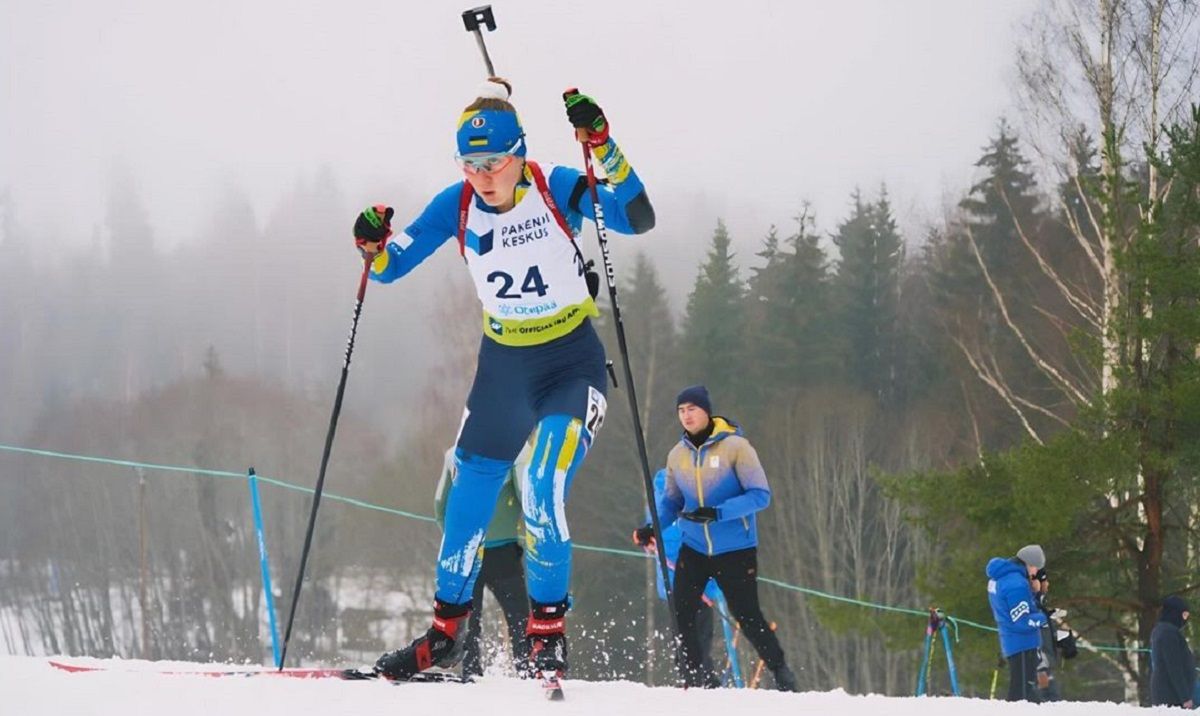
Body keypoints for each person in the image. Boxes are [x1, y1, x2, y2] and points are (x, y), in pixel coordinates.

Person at [355, 78, 655, 682]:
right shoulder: (456, 204)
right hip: (504, 368)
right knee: (468, 496)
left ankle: (546, 634)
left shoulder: (556, 186)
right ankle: (444, 633)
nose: (482, 176)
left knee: (541, 483)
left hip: (570, 364)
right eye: (469, 163)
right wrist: (370, 243)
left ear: (519, 153)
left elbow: (637, 216)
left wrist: (603, 144)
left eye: (493, 161)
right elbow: (389, 267)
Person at [637, 385, 797, 691]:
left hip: (735, 549)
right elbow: (671, 503)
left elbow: (760, 496)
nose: (686, 416)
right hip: (694, 547)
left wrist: (718, 512)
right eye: (681, 411)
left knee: (747, 616)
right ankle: (692, 677)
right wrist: (650, 527)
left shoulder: (736, 448)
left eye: (692, 409)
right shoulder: (677, 455)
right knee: (682, 611)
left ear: (706, 411)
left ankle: (781, 670)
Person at [433, 445, 528, 677]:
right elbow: (525, 498)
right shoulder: (516, 452)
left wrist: (454, 538)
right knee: (518, 616)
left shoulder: (454, 455)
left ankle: (471, 671)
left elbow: (440, 504)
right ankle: (526, 667)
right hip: (503, 553)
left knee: (469, 618)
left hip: (468, 550)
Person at [633, 469, 724, 682]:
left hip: (687, 586)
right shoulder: (681, 501)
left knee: (693, 643)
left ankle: (700, 684)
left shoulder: (664, 498)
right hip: (690, 586)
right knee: (694, 645)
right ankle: (697, 686)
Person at [985, 544, 1051, 702]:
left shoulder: (1002, 578)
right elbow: (1022, 621)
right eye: (1036, 568)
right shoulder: (1017, 584)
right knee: (1021, 695)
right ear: (1029, 564)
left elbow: (1016, 609)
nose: (1036, 573)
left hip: (1011, 640)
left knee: (1024, 692)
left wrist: (1036, 594)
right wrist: (1046, 617)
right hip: (1022, 644)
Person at [1150, 595, 1195, 708]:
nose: (1185, 620)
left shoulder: (1163, 630)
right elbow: (1174, 666)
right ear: (1175, 613)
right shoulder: (1168, 633)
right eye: (1184, 615)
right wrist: (1185, 697)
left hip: (1169, 694)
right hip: (1171, 697)